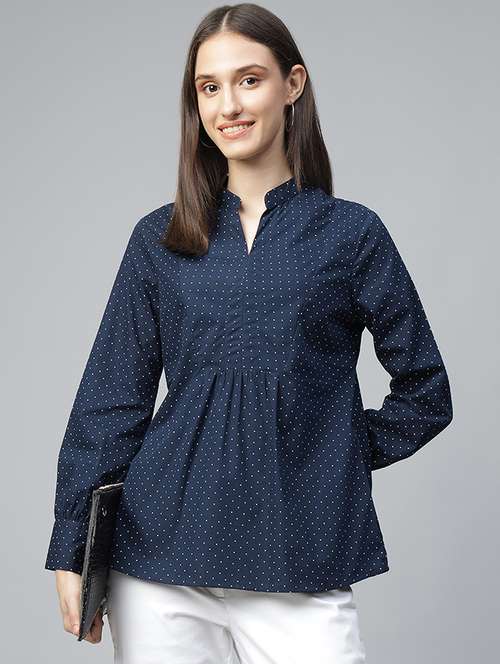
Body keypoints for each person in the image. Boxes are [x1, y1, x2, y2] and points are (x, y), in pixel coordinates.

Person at [44, 3, 453, 662]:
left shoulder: (351, 234)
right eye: (209, 87)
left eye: (249, 80)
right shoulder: (159, 238)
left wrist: (333, 453)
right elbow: (110, 401)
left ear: (293, 84)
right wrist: (72, 546)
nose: (228, 105)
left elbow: (426, 392)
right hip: (158, 559)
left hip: (298, 555)